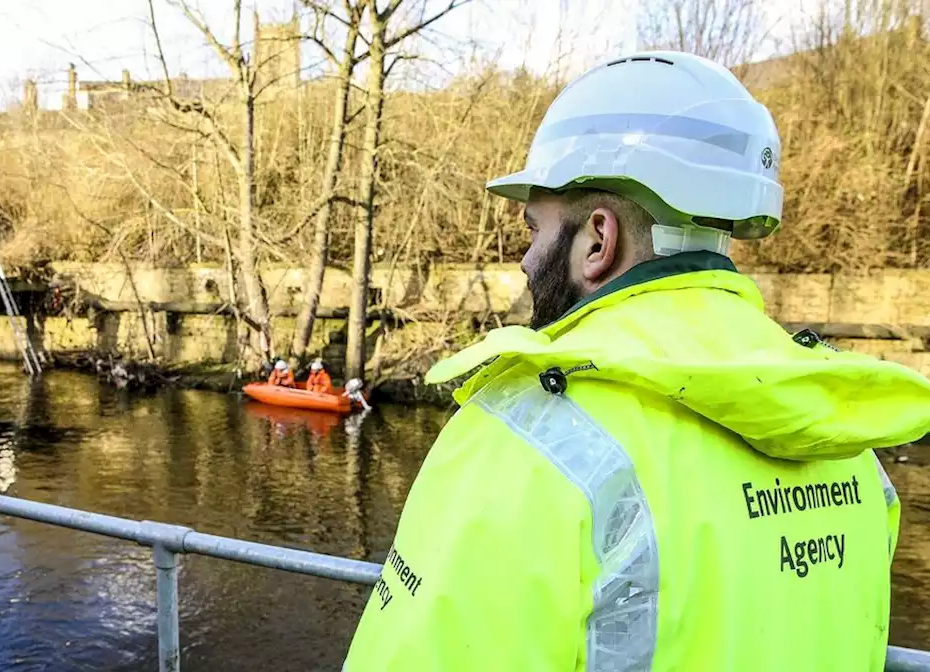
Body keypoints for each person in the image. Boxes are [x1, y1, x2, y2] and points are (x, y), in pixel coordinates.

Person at [344, 51, 930, 671]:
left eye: (533, 229)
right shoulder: (848, 445)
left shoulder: (526, 440)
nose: (523, 259)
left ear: (598, 239)